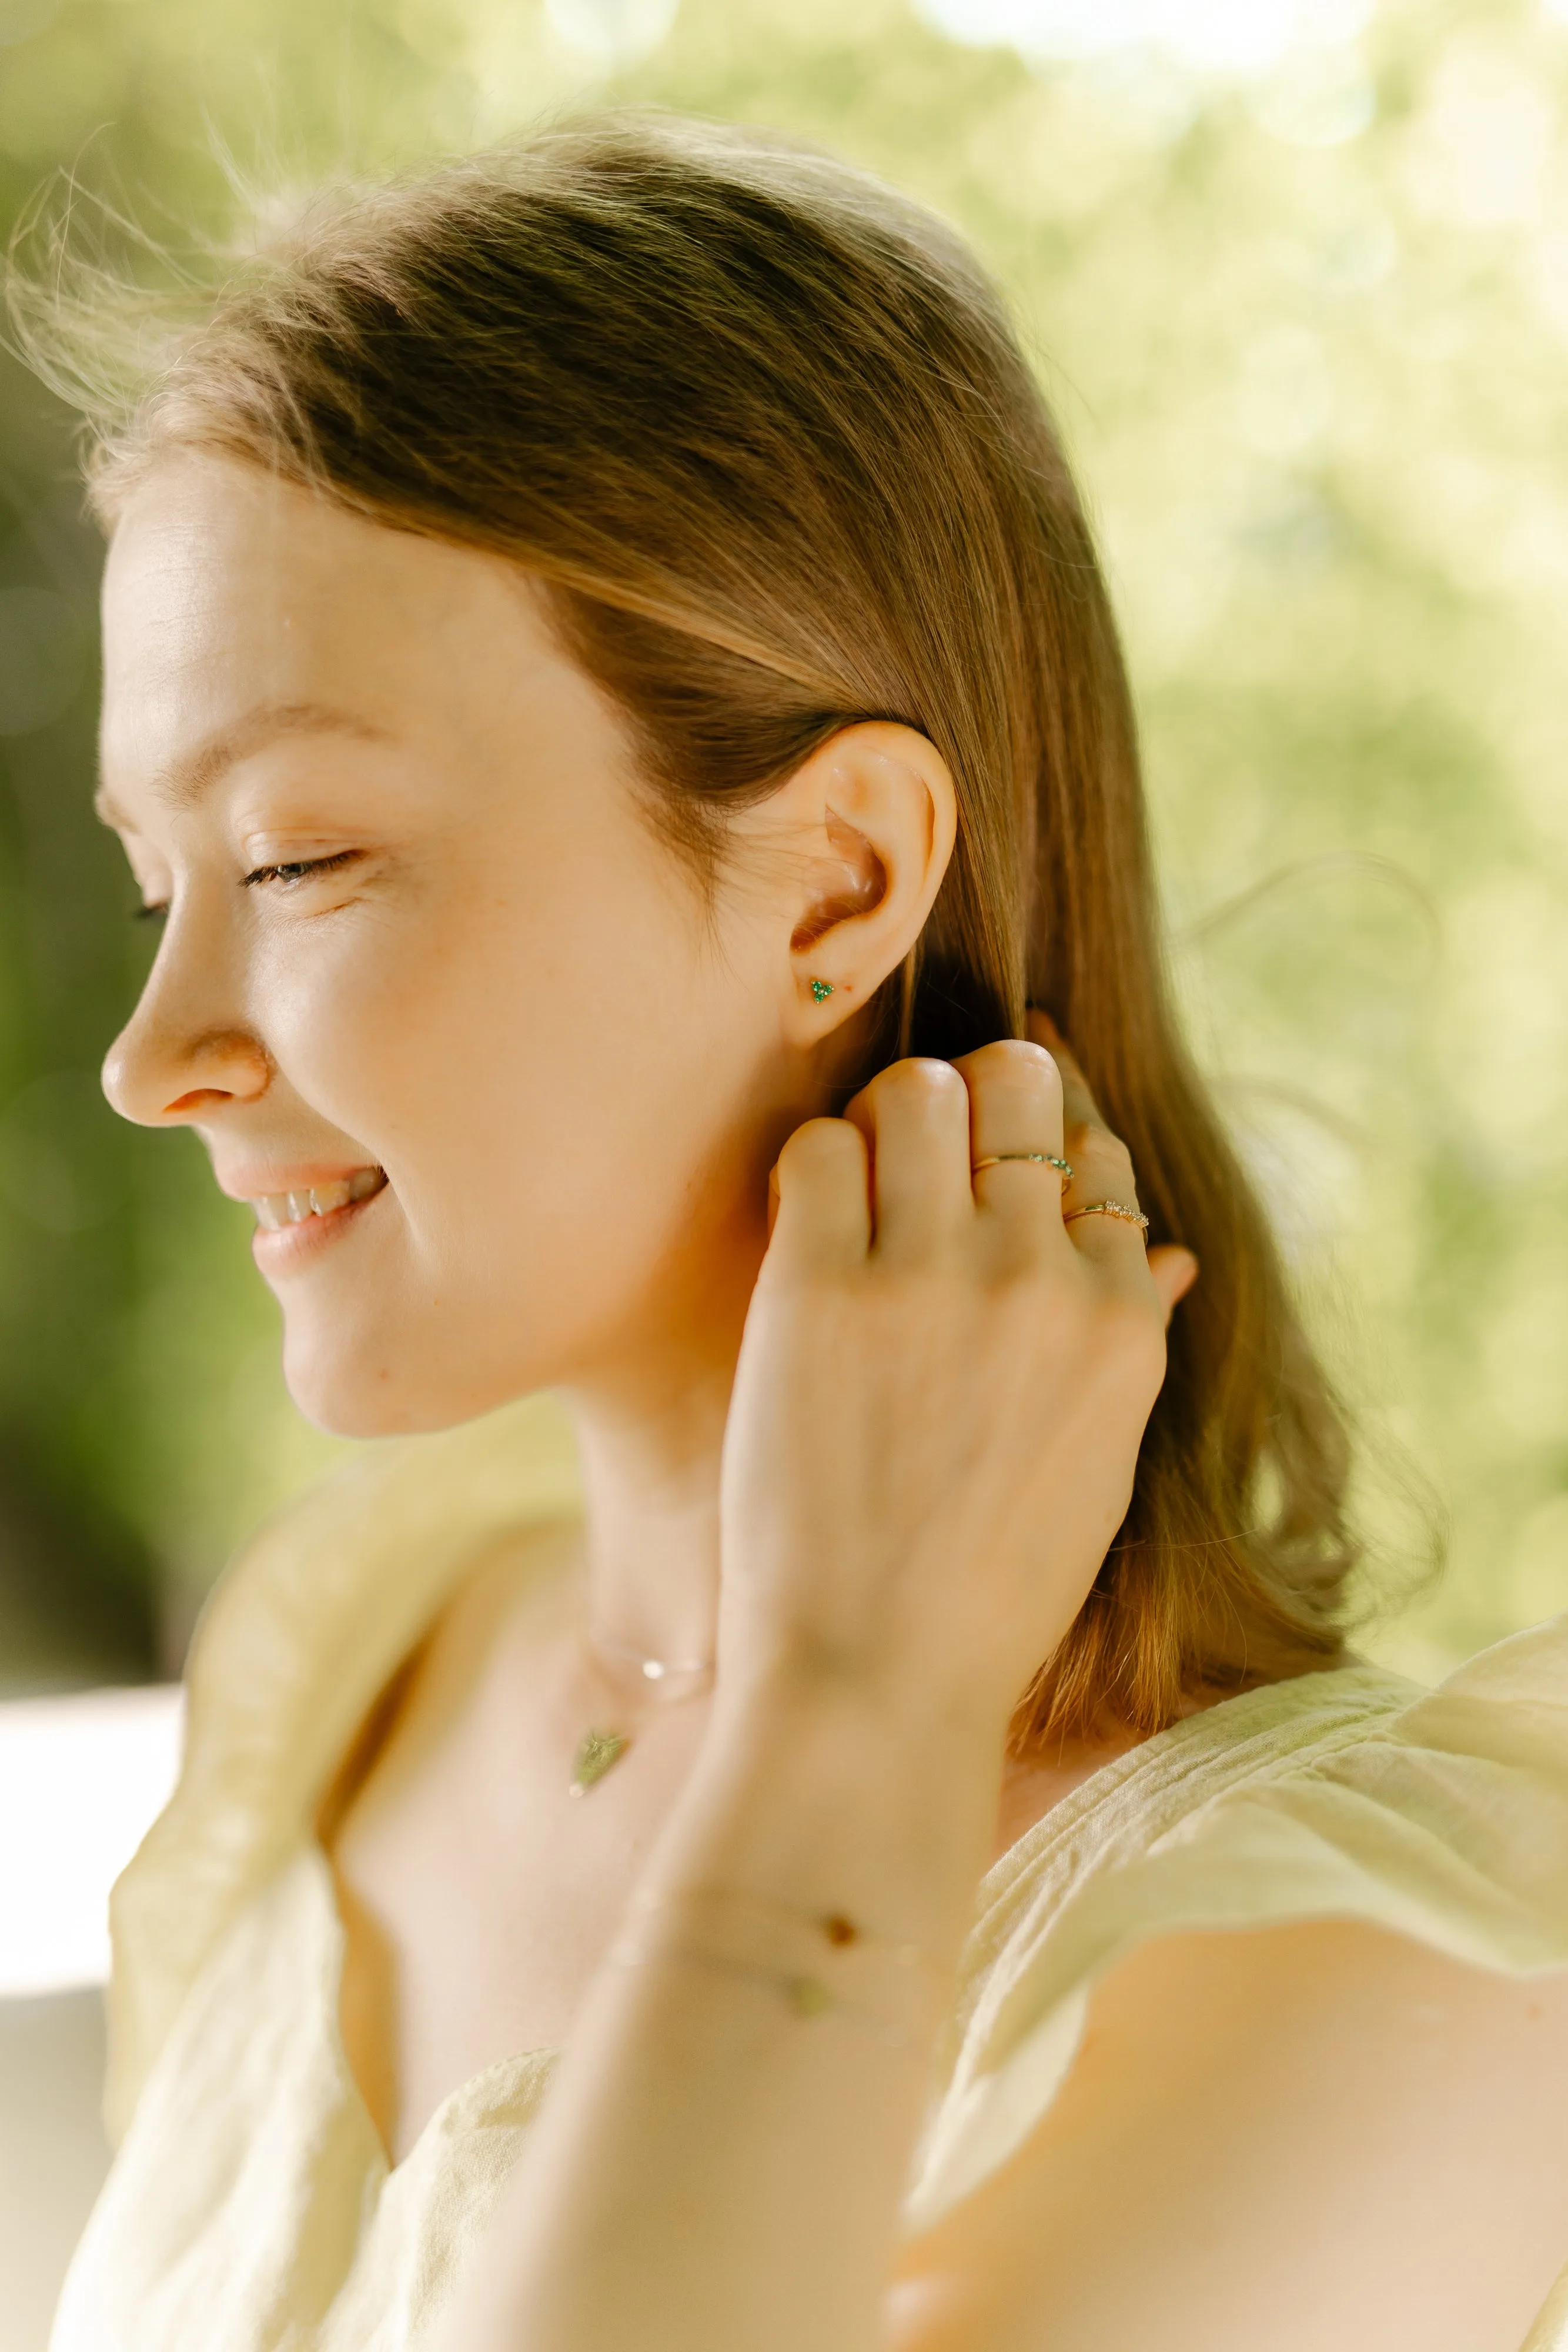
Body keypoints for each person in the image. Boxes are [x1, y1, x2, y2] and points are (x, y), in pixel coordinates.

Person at [26, 115, 1568, 2352]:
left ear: (839, 882)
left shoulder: (1363, 1982)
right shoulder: (367, 1661)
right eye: (165, 887)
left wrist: (847, 1724)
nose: (152, 1055)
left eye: (295, 864)